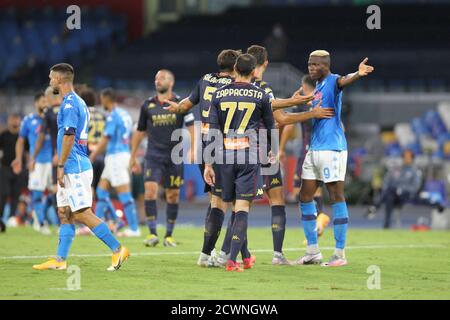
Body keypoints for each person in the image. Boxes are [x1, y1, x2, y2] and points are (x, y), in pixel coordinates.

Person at [32, 63, 129, 271]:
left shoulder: (69, 105)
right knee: (65, 212)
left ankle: (118, 249)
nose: (50, 81)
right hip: (72, 165)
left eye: (51, 78)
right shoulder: (77, 101)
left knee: (82, 212)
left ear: (59, 79)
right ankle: (60, 260)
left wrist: (60, 165)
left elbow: (68, 136)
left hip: (74, 166)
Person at [163, 49, 242, 266]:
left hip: (204, 146)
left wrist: (175, 107)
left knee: (216, 201)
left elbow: (185, 105)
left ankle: (220, 252)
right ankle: (212, 255)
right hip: (225, 147)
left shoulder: (205, 80)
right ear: (235, 67)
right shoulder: (235, 87)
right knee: (233, 203)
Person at [297, 50, 373, 267]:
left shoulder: (331, 81)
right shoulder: (318, 87)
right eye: (309, 64)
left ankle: (339, 254)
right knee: (304, 196)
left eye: (315, 65)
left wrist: (357, 74)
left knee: (335, 195)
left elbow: (343, 81)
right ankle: (312, 251)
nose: (311, 68)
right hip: (315, 148)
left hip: (332, 149)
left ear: (325, 65)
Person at [204, 53, 275, 272]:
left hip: (224, 157)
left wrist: (208, 163)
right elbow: (271, 127)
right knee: (242, 208)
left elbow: (213, 130)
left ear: (235, 68)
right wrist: (274, 152)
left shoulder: (219, 93)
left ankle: (245, 256)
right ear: (254, 71)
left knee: (233, 206)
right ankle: (232, 260)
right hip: (248, 155)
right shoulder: (261, 95)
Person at [130, 69, 195, 247]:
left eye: (162, 78)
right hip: (153, 155)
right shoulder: (147, 105)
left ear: (171, 82)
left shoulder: (181, 103)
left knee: (172, 195)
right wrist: (133, 155)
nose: (158, 81)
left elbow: (191, 126)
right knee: (150, 191)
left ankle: (169, 235)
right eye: (156, 78)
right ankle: (152, 233)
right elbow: (139, 132)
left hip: (174, 157)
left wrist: (194, 149)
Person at [283, 75, 331, 241]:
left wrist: (280, 148)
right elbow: (342, 128)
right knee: (315, 188)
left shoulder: (304, 103)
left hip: (307, 149)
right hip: (324, 150)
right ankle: (319, 222)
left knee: (300, 192)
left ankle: (317, 222)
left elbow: (289, 126)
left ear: (305, 86)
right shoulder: (325, 101)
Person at [89, 88, 140, 237]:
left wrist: (93, 155)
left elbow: (106, 138)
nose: (101, 102)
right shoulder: (125, 114)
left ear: (106, 99)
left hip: (116, 157)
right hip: (121, 154)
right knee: (101, 190)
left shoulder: (113, 116)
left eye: (101, 99)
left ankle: (134, 228)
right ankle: (96, 227)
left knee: (124, 194)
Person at [367, 149, 444, 228]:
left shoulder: (415, 171)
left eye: (408, 157)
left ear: (412, 158)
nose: (406, 159)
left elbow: (415, 187)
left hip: (408, 195)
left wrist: (401, 189)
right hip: (394, 196)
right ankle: (385, 224)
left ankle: (375, 209)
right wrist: (395, 190)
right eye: (405, 156)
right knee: (389, 195)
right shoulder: (396, 169)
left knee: (390, 195)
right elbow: (387, 181)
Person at [12, 92, 53, 235]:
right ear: (36, 103)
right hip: (37, 162)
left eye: (47, 101)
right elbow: (21, 140)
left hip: (53, 162)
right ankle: (41, 223)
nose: (45, 104)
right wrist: (18, 158)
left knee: (56, 194)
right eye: (43, 101)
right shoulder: (29, 120)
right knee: (36, 194)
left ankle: (39, 213)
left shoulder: (53, 118)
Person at [0, 114, 26, 232]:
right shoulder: (3, 135)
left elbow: (28, 152)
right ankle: (1, 218)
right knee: (4, 193)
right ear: (9, 121)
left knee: (16, 194)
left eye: (17, 119)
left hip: (19, 169)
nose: (15, 121)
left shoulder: (23, 137)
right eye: (12, 119)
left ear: (19, 121)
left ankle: (11, 218)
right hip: (5, 168)